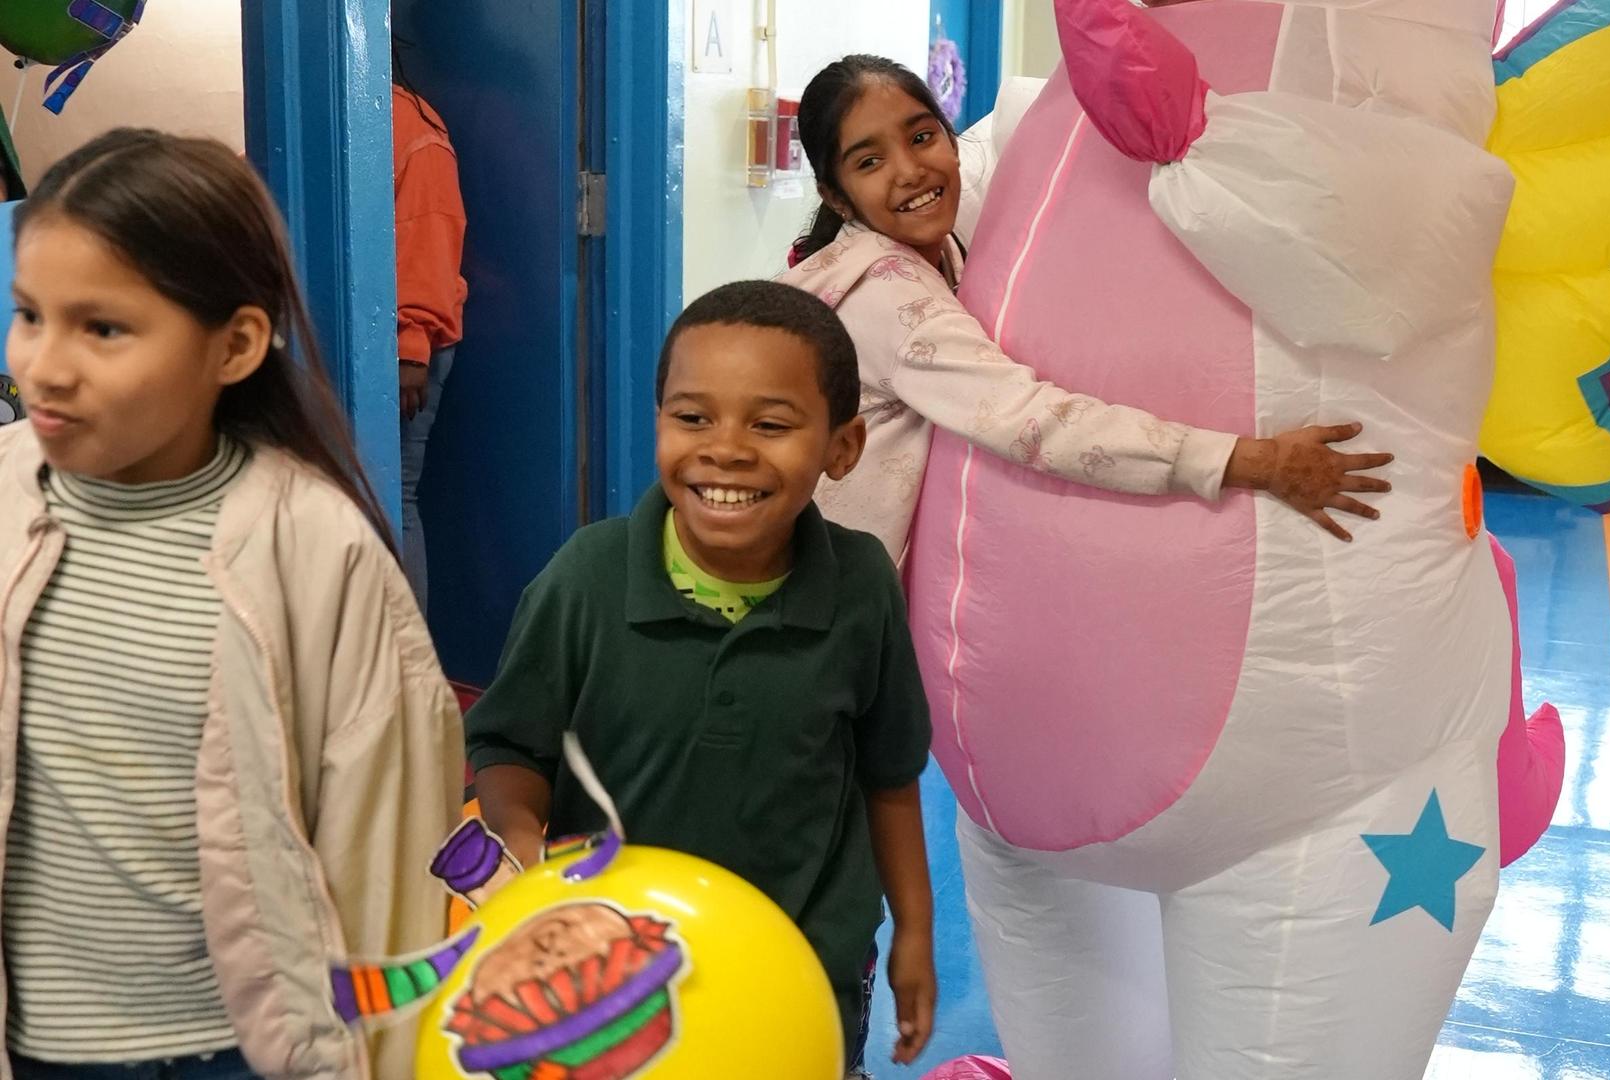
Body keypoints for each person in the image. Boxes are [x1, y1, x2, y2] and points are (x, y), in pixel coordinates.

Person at [0, 129, 464, 1078]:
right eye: (29, 315)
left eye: (103, 328)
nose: (43, 365)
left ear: (236, 344)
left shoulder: (316, 549)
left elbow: (390, 857)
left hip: (230, 1053)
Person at [464, 281, 938, 1074]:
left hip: (805, 968)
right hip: (609, 980)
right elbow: (513, 748)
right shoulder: (586, 579)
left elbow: (889, 777)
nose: (726, 448)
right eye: (693, 417)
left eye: (772, 424)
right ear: (659, 424)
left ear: (843, 446)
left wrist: (915, 932)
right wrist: (518, 834)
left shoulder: (859, 588)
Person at [780, 55, 1395, 564]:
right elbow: (1027, 419)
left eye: (922, 137)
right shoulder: (885, 292)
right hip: (820, 601)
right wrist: (1251, 461)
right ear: (835, 193)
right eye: (870, 161)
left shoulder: (948, 250)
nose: (911, 171)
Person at [392, 50, 468, 611]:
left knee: (392, 498)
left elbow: (430, 241)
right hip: (350, 335)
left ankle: (407, 668)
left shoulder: (414, 130)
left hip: (404, 350)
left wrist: (410, 348)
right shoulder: (319, 118)